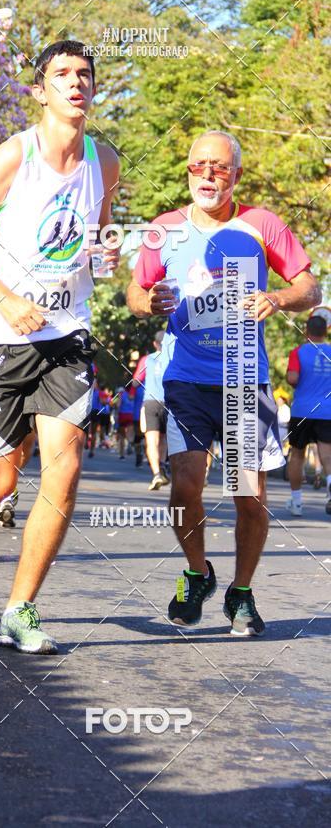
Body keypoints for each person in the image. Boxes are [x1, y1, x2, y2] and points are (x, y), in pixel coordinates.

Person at [0, 39, 120, 654]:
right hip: (2, 337)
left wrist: (107, 252)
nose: (75, 83)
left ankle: (20, 609)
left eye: (84, 74)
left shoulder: (104, 160)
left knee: (65, 467)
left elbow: (97, 232)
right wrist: (6, 298)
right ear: (40, 91)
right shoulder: (16, 155)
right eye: (61, 74)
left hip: (66, 336)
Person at [127, 129, 320, 636]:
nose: (208, 175)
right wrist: (148, 303)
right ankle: (197, 574)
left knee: (248, 496)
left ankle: (241, 592)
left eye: (219, 167)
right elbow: (134, 287)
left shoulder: (263, 225)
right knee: (185, 486)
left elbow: (309, 286)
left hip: (242, 376)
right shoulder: (164, 229)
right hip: (186, 379)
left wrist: (276, 299)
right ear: (187, 171)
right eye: (198, 166)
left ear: (236, 174)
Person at [285, 315, 331, 517]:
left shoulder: (298, 352)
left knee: (297, 455)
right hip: (327, 411)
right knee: (327, 455)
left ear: (306, 330)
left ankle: (296, 503)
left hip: (302, 410)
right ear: (326, 331)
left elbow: (293, 378)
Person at [132, 330, 169, 490]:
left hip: (150, 402)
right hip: (168, 403)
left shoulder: (147, 360)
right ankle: (162, 465)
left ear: (155, 343)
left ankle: (156, 474)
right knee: (165, 439)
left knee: (151, 440)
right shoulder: (172, 358)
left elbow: (135, 382)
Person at [116, 384, 135, 459]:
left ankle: (122, 454)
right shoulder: (133, 395)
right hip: (131, 415)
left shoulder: (121, 394)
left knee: (121, 436)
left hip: (122, 415)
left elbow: (118, 405)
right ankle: (130, 443)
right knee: (129, 434)